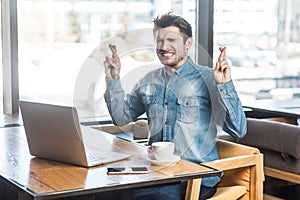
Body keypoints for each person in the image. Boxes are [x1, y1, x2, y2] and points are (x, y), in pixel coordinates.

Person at [103, 12, 247, 200]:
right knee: (105, 193)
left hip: (196, 177)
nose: (163, 47)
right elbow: (121, 118)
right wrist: (113, 79)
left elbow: (239, 130)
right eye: (159, 40)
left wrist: (224, 85)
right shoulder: (149, 80)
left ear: (188, 43)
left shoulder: (210, 79)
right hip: (156, 173)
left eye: (171, 40)